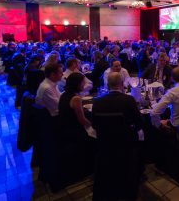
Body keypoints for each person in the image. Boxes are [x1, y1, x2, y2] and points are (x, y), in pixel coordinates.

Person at [92, 72, 143, 200]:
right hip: (125, 145)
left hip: (105, 145)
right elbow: (139, 123)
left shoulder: (97, 102)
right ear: (121, 84)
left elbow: (94, 125)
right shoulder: (129, 100)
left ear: (108, 85)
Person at [58, 73, 92, 142]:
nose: (84, 84)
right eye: (83, 82)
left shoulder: (64, 94)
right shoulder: (76, 98)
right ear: (77, 84)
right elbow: (82, 120)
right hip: (74, 132)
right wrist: (92, 126)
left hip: (64, 128)